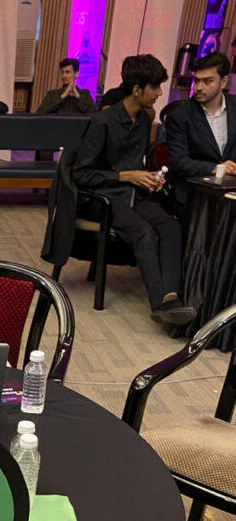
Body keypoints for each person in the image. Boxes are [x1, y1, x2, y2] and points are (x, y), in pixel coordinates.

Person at [73, 54, 193, 326]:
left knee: (171, 226)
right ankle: (161, 305)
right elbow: (81, 174)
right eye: (155, 87)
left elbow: (134, 166)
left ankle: (171, 296)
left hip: (132, 195)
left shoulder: (143, 121)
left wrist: (149, 178)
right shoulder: (102, 122)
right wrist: (127, 176)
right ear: (137, 89)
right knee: (143, 232)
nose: (159, 93)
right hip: (103, 198)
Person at [165, 52, 236, 208]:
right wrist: (216, 168)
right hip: (194, 194)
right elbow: (178, 162)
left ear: (223, 82)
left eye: (207, 81)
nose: (199, 87)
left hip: (231, 192)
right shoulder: (180, 116)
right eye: (196, 80)